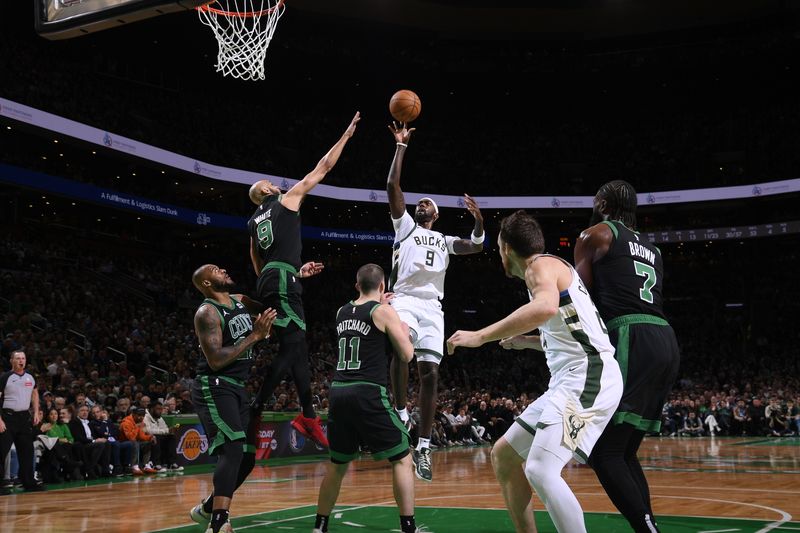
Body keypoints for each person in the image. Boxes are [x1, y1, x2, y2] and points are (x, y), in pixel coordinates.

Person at [447, 210, 623, 533]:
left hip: (589, 374)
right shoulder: (550, 271)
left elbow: (545, 309)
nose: (498, 253)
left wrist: (481, 336)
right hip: (571, 377)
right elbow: (569, 334)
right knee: (504, 455)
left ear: (507, 250)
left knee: (541, 469)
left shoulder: (537, 267)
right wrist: (525, 342)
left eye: (498, 247)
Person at [247, 112, 360, 449]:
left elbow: (257, 263)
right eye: (268, 182)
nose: (273, 182)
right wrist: (346, 136)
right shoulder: (285, 199)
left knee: (296, 346)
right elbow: (323, 167)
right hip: (281, 279)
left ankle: (308, 415)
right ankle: (257, 408)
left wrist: (291, 272)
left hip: (271, 279)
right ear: (267, 189)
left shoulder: (252, 222)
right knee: (293, 345)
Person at [574, 180, 681, 533]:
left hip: (629, 335)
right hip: (664, 339)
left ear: (603, 202)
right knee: (624, 451)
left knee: (602, 452)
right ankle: (648, 527)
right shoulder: (654, 249)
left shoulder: (596, 235)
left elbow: (579, 298)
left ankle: (648, 530)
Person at [385, 122, 485, 482]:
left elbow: (475, 245)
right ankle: (399, 412)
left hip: (433, 308)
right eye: (420, 202)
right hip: (406, 300)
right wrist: (401, 147)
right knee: (402, 349)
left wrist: (477, 221)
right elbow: (393, 186)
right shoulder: (405, 228)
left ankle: (424, 447)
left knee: (431, 374)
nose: (422, 203)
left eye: (429, 203)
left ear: (438, 215)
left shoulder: (443, 240)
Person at [313, 264, 418, 533]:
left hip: (338, 391)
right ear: (383, 286)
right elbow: (406, 355)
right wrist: (403, 329)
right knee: (403, 458)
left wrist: (379, 305)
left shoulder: (341, 312)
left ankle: (320, 526)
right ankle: (408, 527)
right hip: (367, 391)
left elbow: (363, 316)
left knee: (337, 465)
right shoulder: (384, 312)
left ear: (356, 285)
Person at [188, 263, 277, 533]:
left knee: (247, 457)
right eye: (215, 270)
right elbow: (215, 360)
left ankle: (206, 509)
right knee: (232, 448)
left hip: (238, 386)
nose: (224, 270)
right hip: (214, 385)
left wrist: (295, 275)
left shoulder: (240, 301)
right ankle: (218, 522)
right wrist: (255, 336)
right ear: (206, 284)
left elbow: (273, 309)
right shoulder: (207, 312)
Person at [0, 350, 46, 493]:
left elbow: (35, 392)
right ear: (11, 361)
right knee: (2, 451)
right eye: (18, 358)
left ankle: (29, 482)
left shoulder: (30, 377)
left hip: (24, 417)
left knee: (27, 451)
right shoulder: (5, 377)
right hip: (7, 417)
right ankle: (1, 484)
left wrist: (36, 411)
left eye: (23, 358)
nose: (21, 361)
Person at [144, 401, 181, 471]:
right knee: (156, 437)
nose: (160, 411)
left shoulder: (159, 418)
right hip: (146, 438)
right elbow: (148, 431)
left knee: (171, 437)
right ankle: (156, 464)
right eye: (158, 409)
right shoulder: (145, 417)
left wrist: (170, 431)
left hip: (157, 438)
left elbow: (165, 428)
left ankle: (171, 463)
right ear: (151, 409)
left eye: (161, 409)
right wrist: (167, 431)